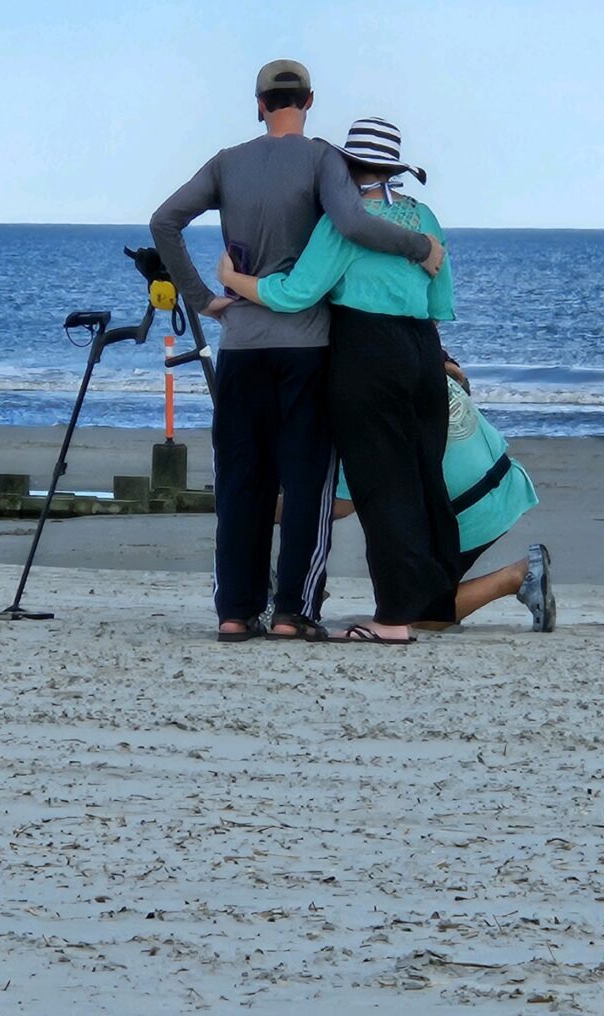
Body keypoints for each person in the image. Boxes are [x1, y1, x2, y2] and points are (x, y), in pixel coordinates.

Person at [150, 64, 443, 644]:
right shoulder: (323, 160)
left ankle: (235, 612)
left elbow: (165, 222)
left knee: (240, 480)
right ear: (309, 101)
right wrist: (418, 246)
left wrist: (203, 297)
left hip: (243, 346)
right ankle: (291, 612)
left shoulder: (226, 162)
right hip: (308, 347)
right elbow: (353, 221)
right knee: (307, 483)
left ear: (258, 103)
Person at [218, 117, 460, 644]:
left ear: (345, 168)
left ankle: (393, 620)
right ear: (395, 168)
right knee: (422, 478)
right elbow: (441, 302)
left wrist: (233, 281)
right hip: (421, 350)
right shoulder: (423, 217)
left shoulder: (345, 223)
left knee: (381, 483)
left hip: (366, 353)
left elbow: (295, 293)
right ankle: (428, 601)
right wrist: (437, 357)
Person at [331, 374, 555, 631]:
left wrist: (276, 512)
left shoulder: (360, 402)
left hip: (472, 510)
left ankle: (517, 577)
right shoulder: (410, 353)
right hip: (504, 477)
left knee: (415, 617)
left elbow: (341, 504)